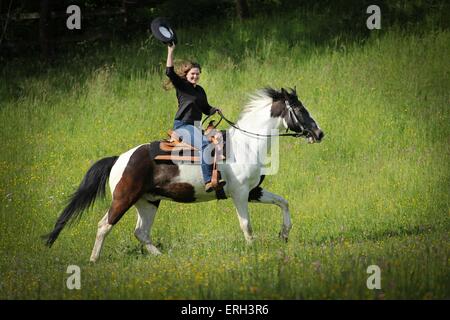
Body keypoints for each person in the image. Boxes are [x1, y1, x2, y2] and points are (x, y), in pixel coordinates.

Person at [164, 44, 226, 192]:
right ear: (187, 74)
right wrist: (170, 50)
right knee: (205, 144)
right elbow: (169, 72)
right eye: (193, 73)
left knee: (220, 137)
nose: (195, 76)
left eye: (197, 74)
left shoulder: (200, 90)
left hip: (196, 126)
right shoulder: (182, 86)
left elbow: (205, 108)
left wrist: (214, 110)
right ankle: (208, 181)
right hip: (183, 126)